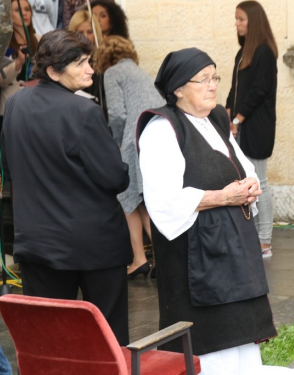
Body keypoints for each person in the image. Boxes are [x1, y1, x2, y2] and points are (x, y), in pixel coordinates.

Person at [137, 47, 294, 375]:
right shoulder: (162, 129)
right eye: (203, 80)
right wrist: (223, 197)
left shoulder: (216, 118)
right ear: (178, 88)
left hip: (232, 251)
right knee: (213, 346)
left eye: (215, 77)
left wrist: (250, 186)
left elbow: (242, 167)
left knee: (242, 341)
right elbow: (164, 201)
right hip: (197, 261)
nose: (213, 85)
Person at [0, 29, 132, 345]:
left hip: (37, 243)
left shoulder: (16, 102)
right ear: (53, 71)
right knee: (106, 342)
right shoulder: (83, 111)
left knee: (47, 342)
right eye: (81, 63)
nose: (90, 69)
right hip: (93, 244)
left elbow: (10, 166)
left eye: (89, 61)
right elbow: (116, 178)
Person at [93, 36, 164, 279]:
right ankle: (156, 259)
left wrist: (116, 144)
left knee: (127, 197)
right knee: (141, 201)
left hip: (134, 141)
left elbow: (117, 114)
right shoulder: (141, 72)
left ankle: (140, 258)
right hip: (154, 139)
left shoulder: (113, 73)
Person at [226, 1, 278, 258]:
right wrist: (227, 111)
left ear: (253, 22)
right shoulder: (243, 52)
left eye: (241, 19)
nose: (236, 23)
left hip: (256, 128)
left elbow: (259, 90)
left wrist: (237, 119)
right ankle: (254, 237)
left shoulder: (264, 53)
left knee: (260, 182)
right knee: (248, 182)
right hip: (241, 126)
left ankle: (265, 241)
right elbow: (237, 88)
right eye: (236, 19)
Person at [1, 0, 39, 130]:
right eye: (18, 10)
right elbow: (1, 80)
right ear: (8, 14)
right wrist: (18, 64)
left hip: (37, 106)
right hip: (11, 108)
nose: (24, 13)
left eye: (27, 9)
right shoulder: (3, 44)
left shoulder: (39, 40)